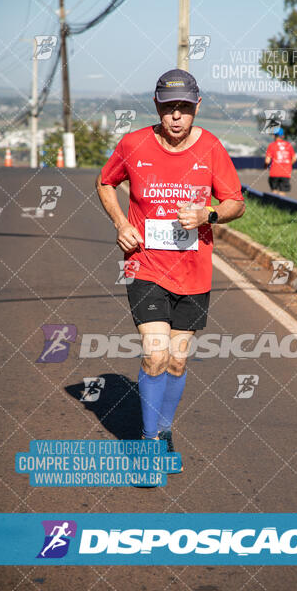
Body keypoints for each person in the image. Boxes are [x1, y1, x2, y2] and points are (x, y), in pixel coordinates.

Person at [96, 69, 245, 467]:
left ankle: (163, 427)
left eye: (183, 108)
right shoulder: (134, 144)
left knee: (177, 361)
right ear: (157, 107)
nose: (176, 116)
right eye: (168, 108)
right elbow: (105, 183)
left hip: (193, 271)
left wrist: (207, 214)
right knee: (155, 354)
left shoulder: (211, 149)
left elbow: (236, 202)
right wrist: (121, 224)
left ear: (197, 107)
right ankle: (148, 443)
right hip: (144, 266)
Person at [264, 127, 296, 196]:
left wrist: (266, 167)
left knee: (274, 191)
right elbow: (294, 159)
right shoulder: (288, 145)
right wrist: (288, 165)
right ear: (283, 136)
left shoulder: (272, 145)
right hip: (286, 172)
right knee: (282, 192)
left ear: (274, 136)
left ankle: (273, 205)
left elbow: (267, 161)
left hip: (274, 172)